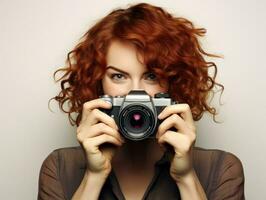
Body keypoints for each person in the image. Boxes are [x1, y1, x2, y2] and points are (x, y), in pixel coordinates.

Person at [38, 3, 245, 200]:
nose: (136, 92)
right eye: (118, 76)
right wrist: (93, 176)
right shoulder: (59, 167)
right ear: (97, 83)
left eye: (152, 76)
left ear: (173, 82)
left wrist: (186, 177)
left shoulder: (221, 168)